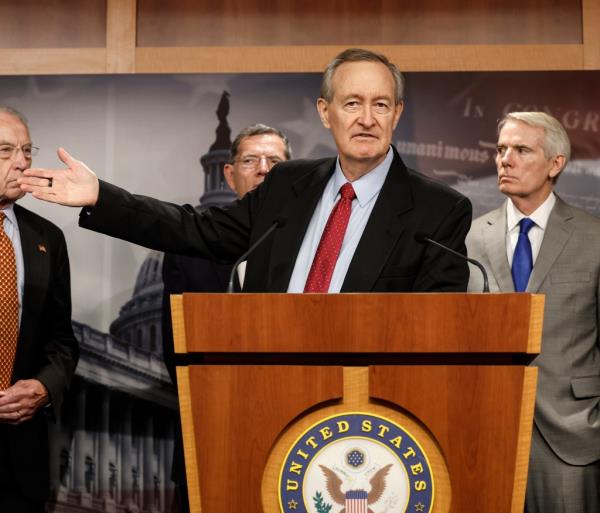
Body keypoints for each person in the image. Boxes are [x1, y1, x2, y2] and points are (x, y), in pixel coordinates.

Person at [18, 48, 471, 293]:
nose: (366, 119)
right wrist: (101, 196)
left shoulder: (438, 211)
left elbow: (437, 335)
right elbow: (195, 230)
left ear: (397, 113)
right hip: (268, 391)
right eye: (352, 103)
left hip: (368, 417)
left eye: (381, 105)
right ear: (325, 112)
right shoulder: (289, 184)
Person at [466, 111, 600, 512]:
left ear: (555, 163)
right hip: (486, 430)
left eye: (522, 149)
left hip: (572, 435)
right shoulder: (468, 236)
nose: (505, 159)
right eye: (501, 148)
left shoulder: (594, 238)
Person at [161, 123, 290, 513]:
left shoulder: (322, 246)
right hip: (210, 434)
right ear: (230, 175)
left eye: (276, 161)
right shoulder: (188, 246)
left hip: (295, 431)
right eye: (251, 160)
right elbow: (177, 353)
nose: (264, 169)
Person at [0, 107, 79, 512]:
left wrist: (45, 387)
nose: (22, 162)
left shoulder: (47, 238)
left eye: (27, 150)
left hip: (21, 462)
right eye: (5, 150)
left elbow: (62, 341)